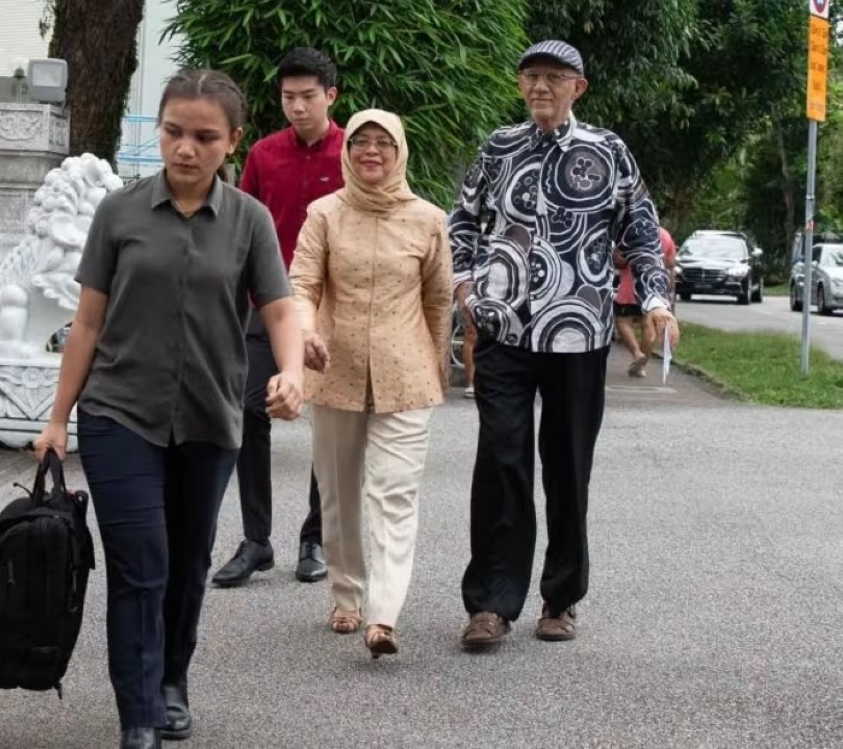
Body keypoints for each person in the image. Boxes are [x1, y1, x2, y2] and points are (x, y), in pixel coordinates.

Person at [32, 70, 304, 749]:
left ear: (232, 141)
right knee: (140, 562)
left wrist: (293, 371)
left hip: (210, 418)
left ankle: (172, 678)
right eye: (174, 132)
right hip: (119, 412)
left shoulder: (249, 220)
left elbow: (277, 307)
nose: (186, 148)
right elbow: (87, 324)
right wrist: (57, 417)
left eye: (205, 136)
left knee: (186, 561)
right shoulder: (119, 213)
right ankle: (139, 713)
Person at [449, 40, 679, 648]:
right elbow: (463, 220)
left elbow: (641, 232)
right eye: (530, 77)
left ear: (579, 87)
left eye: (553, 78)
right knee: (501, 460)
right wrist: (468, 288)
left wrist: (655, 299)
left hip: (579, 334)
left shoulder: (608, 151)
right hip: (505, 329)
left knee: (568, 467)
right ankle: (492, 605)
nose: (540, 88)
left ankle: (561, 598)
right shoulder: (499, 147)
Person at [290, 109, 453, 658]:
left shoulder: (428, 220)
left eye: (384, 143)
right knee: (337, 494)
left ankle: (383, 614)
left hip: (406, 373)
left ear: (400, 151)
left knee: (394, 494)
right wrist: (306, 333)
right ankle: (347, 594)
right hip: (333, 370)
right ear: (348, 151)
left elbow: (438, 299)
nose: (372, 152)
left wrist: (438, 363)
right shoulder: (325, 215)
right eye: (362, 142)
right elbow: (302, 285)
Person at [212, 47, 344, 588]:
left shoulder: (352, 152)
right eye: (288, 97)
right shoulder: (264, 155)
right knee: (249, 412)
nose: (296, 106)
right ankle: (256, 539)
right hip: (265, 306)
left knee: (327, 425)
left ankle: (314, 536)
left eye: (307, 97)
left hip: (332, 310)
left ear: (330, 96)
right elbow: (240, 228)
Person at [614, 227, 678, 377]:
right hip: (653, 293)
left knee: (623, 321)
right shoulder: (665, 235)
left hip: (629, 290)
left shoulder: (629, 232)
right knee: (648, 326)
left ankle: (637, 353)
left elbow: (619, 260)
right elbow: (670, 263)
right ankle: (641, 366)